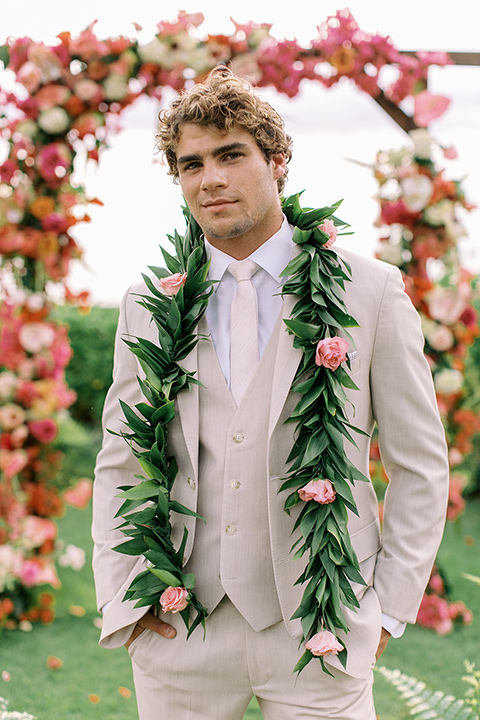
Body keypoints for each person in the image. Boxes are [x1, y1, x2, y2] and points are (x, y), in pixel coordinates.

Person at [92, 67, 449, 720]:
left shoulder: (368, 291)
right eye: (191, 163)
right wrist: (125, 600)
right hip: (181, 632)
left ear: (277, 161)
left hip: (321, 628)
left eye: (231, 155)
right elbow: (120, 462)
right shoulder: (150, 304)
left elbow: (420, 464)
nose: (212, 180)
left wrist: (386, 612)